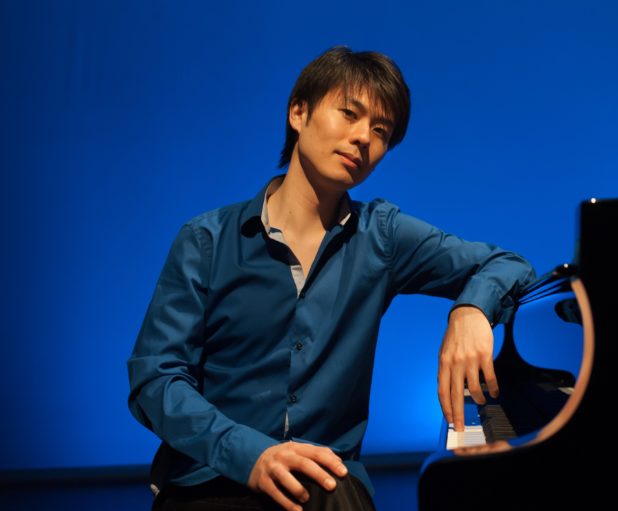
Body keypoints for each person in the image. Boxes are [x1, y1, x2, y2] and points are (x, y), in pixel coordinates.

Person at [127, 45, 536, 511]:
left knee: (335, 489)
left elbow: (510, 264)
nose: (363, 138)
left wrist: (470, 309)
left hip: (326, 484)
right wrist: (251, 455)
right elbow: (155, 379)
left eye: (380, 131)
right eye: (349, 114)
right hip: (213, 479)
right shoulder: (207, 240)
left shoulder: (380, 235)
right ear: (298, 113)